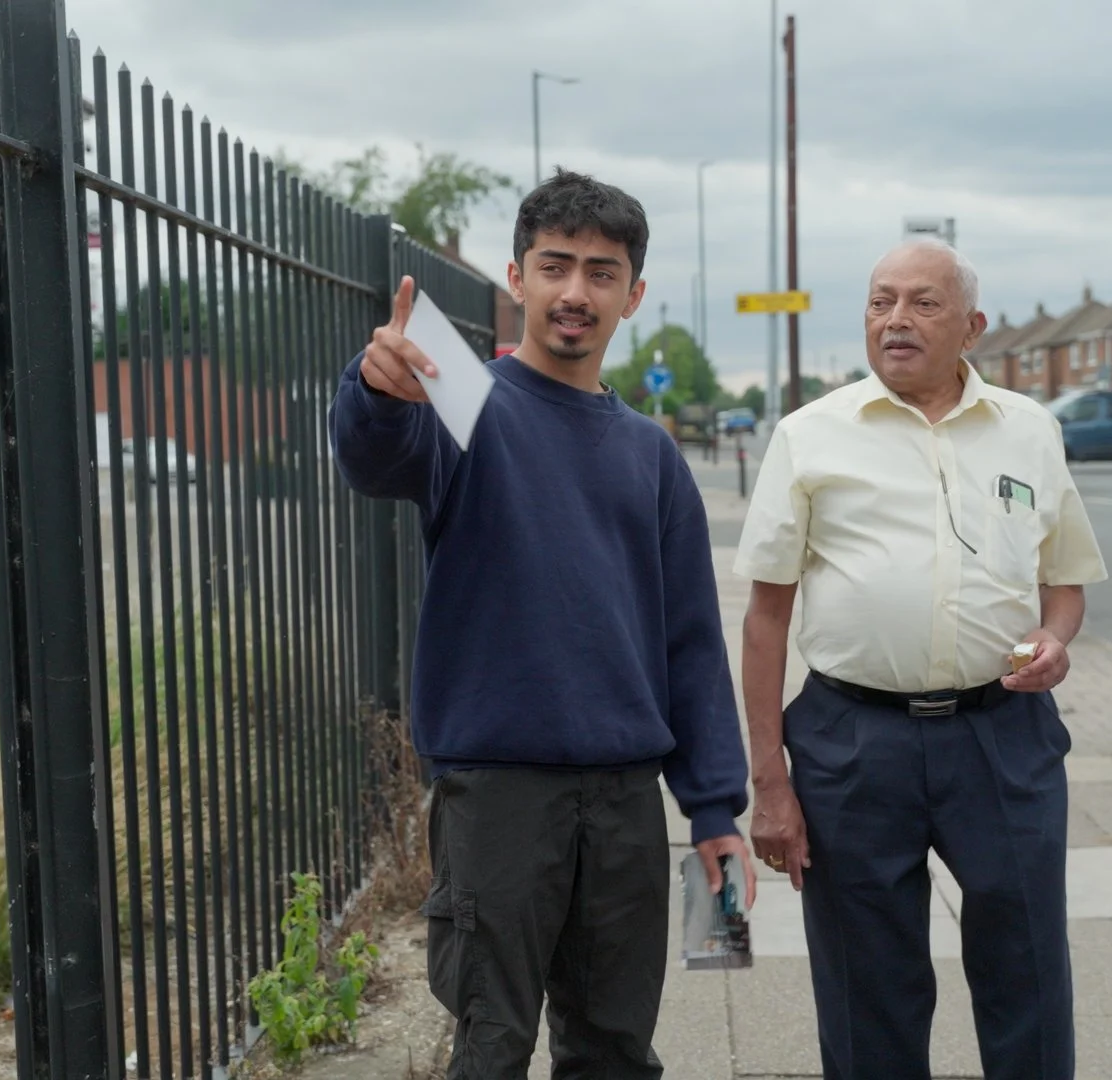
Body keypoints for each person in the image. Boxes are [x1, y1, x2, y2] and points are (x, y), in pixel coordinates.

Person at [328, 168, 754, 1078]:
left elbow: (690, 643)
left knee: (613, 1051)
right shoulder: (465, 406)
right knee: (491, 1048)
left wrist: (714, 808)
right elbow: (376, 456)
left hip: (626, 805)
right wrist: (373, 388)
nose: (575, 292)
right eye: (554, 266)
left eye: (602, 273)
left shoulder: (652, 456)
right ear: (516, 279)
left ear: (633, 296)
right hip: (497, 798)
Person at [733, 238, 1106, 1080]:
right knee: (870, 987)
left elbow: (1068, 585)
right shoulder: (809, 436)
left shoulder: (1030, 431)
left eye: (922, 303)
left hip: (1003, 735)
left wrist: (1056, 638)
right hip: (851, 741)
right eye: (879, 301)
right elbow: (764, 621)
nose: (895, 320)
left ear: (971, 325)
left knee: (1029, 969)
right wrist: (770, 783)